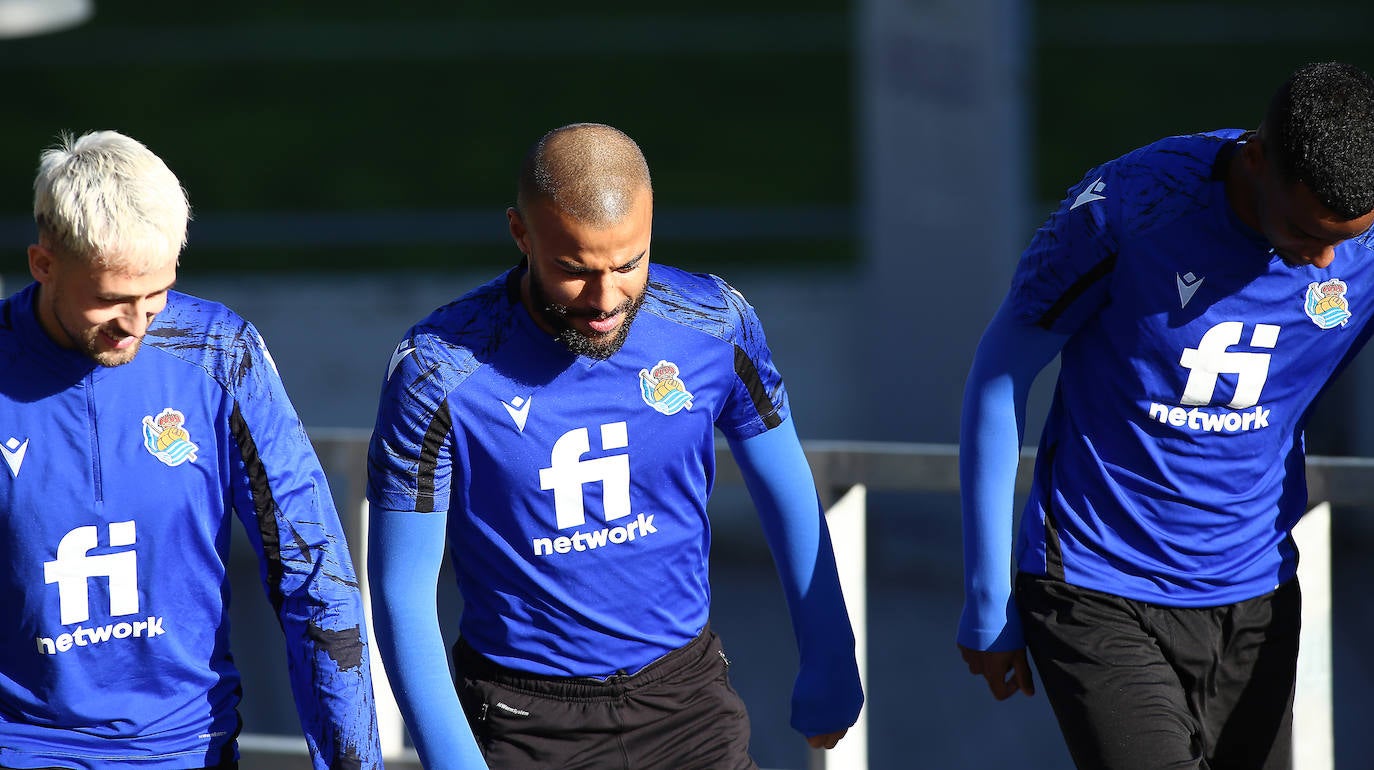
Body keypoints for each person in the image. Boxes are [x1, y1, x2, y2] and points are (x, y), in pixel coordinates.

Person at [367, 122, 863, 769]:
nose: (604, 301)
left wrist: (830, 654)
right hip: (523, 720)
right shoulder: (436, 371)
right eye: (573, 271)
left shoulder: (714, 323)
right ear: (521, 234)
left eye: (629, 264)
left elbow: (787, 486)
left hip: (687, 703)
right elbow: (401, 591)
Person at [957, 60, 1374, 769]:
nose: (1326, 259)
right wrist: (987, 595)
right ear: (1256, 160)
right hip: (1097, 584)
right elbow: (1000, 376)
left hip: (1259, 594)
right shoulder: (1129, 206)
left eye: (1349, 237)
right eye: (1306, 233)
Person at [0, 130, 383, 769]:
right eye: (111, 299)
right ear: (43, 264)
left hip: (191, 750)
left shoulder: (216, 354)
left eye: (158, 293)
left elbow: (314, 570)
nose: (138, 323)